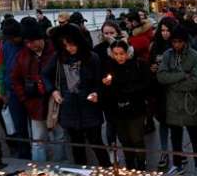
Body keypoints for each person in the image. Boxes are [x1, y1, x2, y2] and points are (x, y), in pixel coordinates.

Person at [45, 24, 110, 167]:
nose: (69, 48)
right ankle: (82, 173)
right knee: (77, 145)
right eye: (65, 45)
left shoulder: (91, 57)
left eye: (72, 44)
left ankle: (108, 170)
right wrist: (54, 91)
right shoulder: (58, 58)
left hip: (89, 107)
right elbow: (45, 75)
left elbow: (100, 80)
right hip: (69, 107)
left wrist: (96, 93)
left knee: (96, 142)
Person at [11, 21, 65, 162]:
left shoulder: (55, 51)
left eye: (32, 41)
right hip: (34, 103)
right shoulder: (22, 55)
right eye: (27, 42)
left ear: (41, 38)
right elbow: (16, 79)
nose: (30, 45)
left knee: (59, 136)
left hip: (55, 101)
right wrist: (24, 99)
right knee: (38, 140)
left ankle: (60, 165)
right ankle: (39, 169)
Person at [157, 26, 197, 176]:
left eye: (179, 42)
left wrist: (173, 83)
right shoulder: (167, 55)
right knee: (175, 136)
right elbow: (161, 76)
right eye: (174, 42)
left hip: (189, 102)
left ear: (185, 42)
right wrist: (183, 75)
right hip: (173, 103)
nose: (176, 45)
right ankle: (177, 164)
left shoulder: (195, 56)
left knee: (194, 135)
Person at [104, 39, 151, 170]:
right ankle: (130, 164)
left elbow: (146, 84)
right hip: (117, 110)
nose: (119, 57)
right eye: (116, 54)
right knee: (124, 140)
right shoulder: (109, 65)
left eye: (122, 53)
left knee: (137, 138)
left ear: (128, 53)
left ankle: (141, 164)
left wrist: (128, 90)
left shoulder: (138, 64)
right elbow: (106, 90)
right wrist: (106, 85)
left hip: (136, 108)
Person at [0, 19, 30, 159]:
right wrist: (2, 89)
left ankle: (37, 153)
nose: (11, 40)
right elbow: (1, 67)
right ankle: (24, 154)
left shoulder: (27, 44)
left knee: (35, 126)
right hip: (12, 91)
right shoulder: (6, 44)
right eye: (9, 38)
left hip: (28, 89)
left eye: (13, 37)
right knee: (19, 125)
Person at [148, 17, 178, 169]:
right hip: (159, 90)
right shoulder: (155, 45)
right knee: (163, 123)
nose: (165, 33)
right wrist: (152, 69)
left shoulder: (179, 46)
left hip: (174, 90)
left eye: (168, 30)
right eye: (163, 30)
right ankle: (164, 151)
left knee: (176, 124)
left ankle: (178, 152)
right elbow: (151, 63)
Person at [93, 21, 126, 150]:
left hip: (123, 90)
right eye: (106, 33)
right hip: (107, 91)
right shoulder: (98, 49)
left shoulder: (124, 46)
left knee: (124, 123)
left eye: (111, 33)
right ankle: (112, 148)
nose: (109, 36)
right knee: (110, 123)